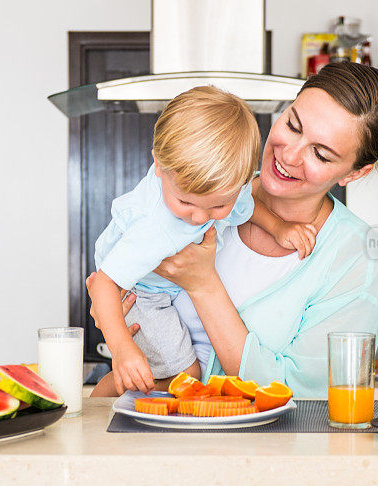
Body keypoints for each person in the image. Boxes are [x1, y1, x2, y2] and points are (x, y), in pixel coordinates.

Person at [89, 86, 319, 397]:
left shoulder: (228, 189)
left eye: (216, 207)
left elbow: (247, 206)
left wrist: (279, 228)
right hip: (140, 291)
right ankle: (108, 390)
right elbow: (104, 283)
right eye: (185, 202)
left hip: (168, 283)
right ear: (159, 165)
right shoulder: (153, 227)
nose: (199, 217)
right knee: (187, 374)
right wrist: (123, 349)